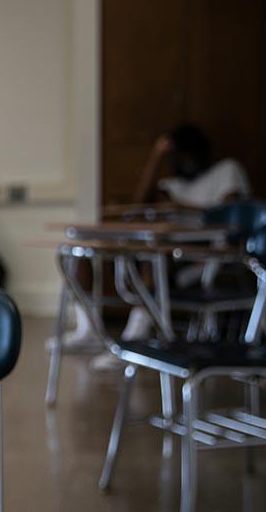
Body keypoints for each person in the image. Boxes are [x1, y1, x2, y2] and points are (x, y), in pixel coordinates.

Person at [84, 124, 251, 367]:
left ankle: (134, 339)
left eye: (186, 155)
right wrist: (156, 155)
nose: (183, 162)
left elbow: (232, 214)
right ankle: (97, 332)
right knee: (94, 252)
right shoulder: (173, 184)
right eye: (176, 157)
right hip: (173, 256)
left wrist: (180, 208)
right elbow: (138, 208)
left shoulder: (227, 171)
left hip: (212, 257)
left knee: (152, 257)